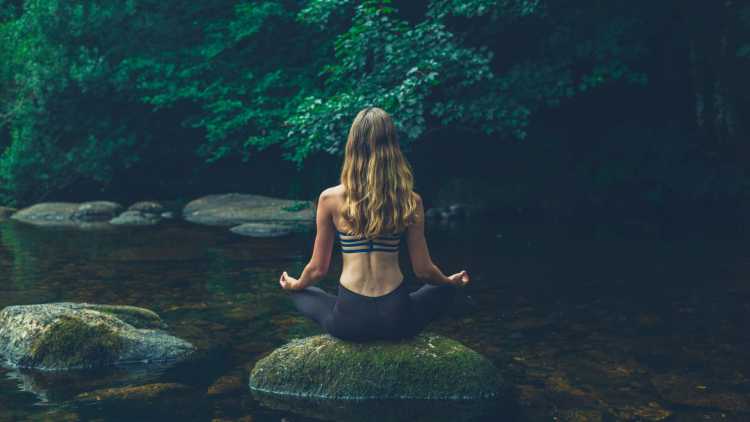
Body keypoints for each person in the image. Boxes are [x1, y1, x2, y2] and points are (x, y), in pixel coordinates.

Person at [278, 106, 471, 342]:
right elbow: (423, 271)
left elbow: (318, 270)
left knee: (303, 292)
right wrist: (448, 281)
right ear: (392, 147)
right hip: (397, 320)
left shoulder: (329, 198)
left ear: (352, 146)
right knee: (443, 289)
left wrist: (295, 284)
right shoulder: (410, 200)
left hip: (349, 321)